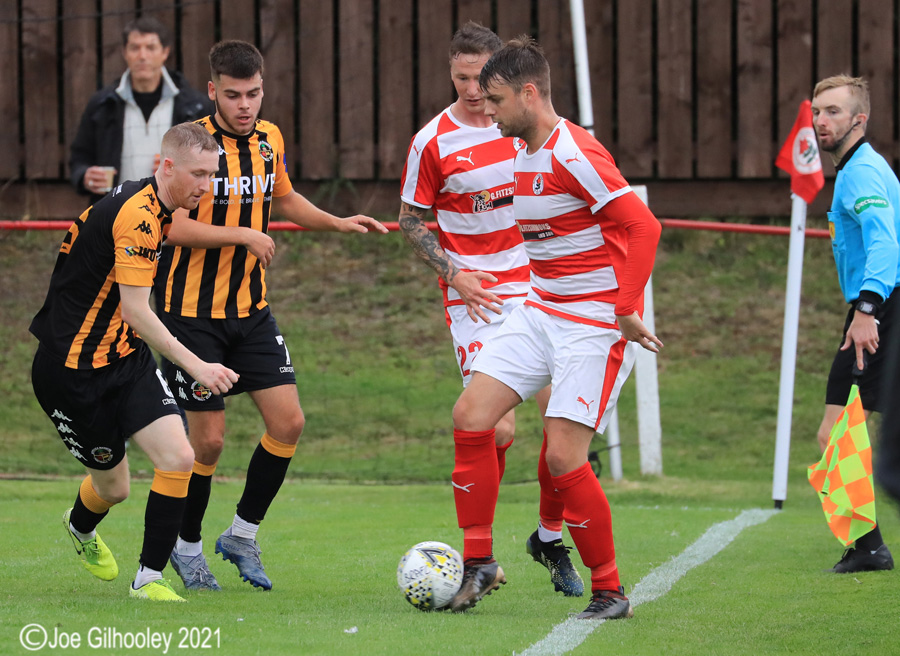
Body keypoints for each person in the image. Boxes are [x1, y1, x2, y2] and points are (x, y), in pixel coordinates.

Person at [444, 36, 662, 619]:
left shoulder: (576, 154)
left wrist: (623, 307)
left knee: (565, 458)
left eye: (494, 99)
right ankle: (480, 563)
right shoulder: (519, 148)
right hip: (539, 309)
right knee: (471, 417)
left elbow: (643, 227)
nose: (484, 110)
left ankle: (610, 591)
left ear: (529, 93)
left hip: (591, 325)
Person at [159, 40, 388, 592]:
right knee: (207, 444)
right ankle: (186, 548)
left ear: (264, 87)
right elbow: (172, 226)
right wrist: (243, 234)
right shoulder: (191, 144)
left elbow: (283, 198)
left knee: (289, 423)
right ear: (212, 90)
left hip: (251, 313)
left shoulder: (269, 140)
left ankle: (241, 534)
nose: (245, 105)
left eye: (254, 93)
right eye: (233, 94)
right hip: (190, 317)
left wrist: (336, 222)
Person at [30, 122, 276, 602]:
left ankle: (148, 579)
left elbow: (131, 319)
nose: (206, 187)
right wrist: (200, 366)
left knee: (180, 457)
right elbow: (139, 311)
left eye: (212, 175)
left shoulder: (156, 202)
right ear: (166, 167)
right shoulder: (138, 217)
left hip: (125, 358)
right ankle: (80, 527)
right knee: (114, 486)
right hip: (72, 372)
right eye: (199, 175)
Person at [398, 22, 582, 598]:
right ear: (450, 73)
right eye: (461, 78)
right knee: (495, 424)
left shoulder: (526, 125)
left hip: (541, 289)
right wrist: (454, 272)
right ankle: (480, 552)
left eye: (481, 79)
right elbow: (409, 218)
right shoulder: (433, 141)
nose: (473, 90)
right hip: (473, 298)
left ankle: (549, 537)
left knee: (563, 430)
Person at [811, 74, 896, 573]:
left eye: (834, 111)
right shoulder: (858, 169)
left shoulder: (861, 172)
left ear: (859, 119)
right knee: (840, 430)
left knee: (835, 431)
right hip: (879, 302)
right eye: (817, 111)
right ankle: (867, 545)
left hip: (880, 305)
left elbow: (886, 242)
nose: (822, 120)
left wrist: (866, 310)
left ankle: (868, 546)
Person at [69, 17, 213, 202]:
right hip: (115, 215)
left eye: (150, 48)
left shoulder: (195, 106)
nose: (142, 56)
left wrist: (181, 166)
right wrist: (85, 176)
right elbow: (79, 158)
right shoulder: (102, 104)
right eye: (135, 48)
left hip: (176, 218)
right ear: (125, 52)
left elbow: (216, 162)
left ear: (165, 52)